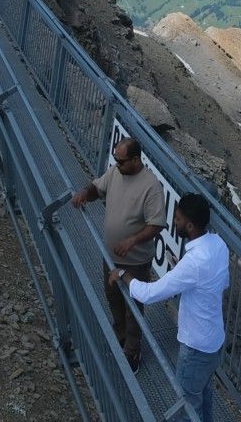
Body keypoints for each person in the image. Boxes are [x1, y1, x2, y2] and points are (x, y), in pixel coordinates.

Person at [63, 138, 178, 364]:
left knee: (133, 307)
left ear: (136, 160)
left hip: (135, 261)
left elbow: (156, 224)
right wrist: (86, 193)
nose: (116, 164)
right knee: (113, 296)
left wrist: (132, 241)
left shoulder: (150, 186)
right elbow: (98, 187)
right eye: (115, 159)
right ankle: (120, 337)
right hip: (112, 256)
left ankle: (133, 352)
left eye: (121, 161)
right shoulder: (117, 172)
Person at [121, 192, 233, 422]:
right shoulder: (219, 244)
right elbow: (219, 281)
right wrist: (182, 269)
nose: (174, 222)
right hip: (214, 342)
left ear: (190, 226)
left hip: (195, 349)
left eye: (178, 219)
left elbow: (149, 294)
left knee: (187, 410)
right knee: (203, 396)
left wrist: (124, 276)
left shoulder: (193, 263)